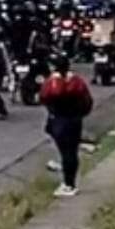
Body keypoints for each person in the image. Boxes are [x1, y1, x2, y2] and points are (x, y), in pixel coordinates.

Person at [40, 56, 93, 197]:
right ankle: (68, 176)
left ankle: (69, 184)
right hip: (74, 119)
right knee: (70, 150)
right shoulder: (77, 81)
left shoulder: (53, 82)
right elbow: (87, 100)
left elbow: (45, 96)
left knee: (67, 152)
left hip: (61, 119)